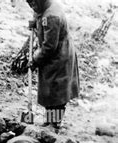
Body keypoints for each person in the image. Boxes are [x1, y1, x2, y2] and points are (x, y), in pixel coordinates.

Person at [27, 0, 80, 129]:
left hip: (59, 57)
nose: (31, 6)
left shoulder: (51, 16)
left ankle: (54, 125)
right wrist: (35, 22)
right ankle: (50, 121)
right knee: (49, 91)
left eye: (33, 2)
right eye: (28, 2)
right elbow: (38, 14)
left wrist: (34, 59)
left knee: (57, 94)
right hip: (53, 55)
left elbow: (49, 47)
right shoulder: (44, 7)